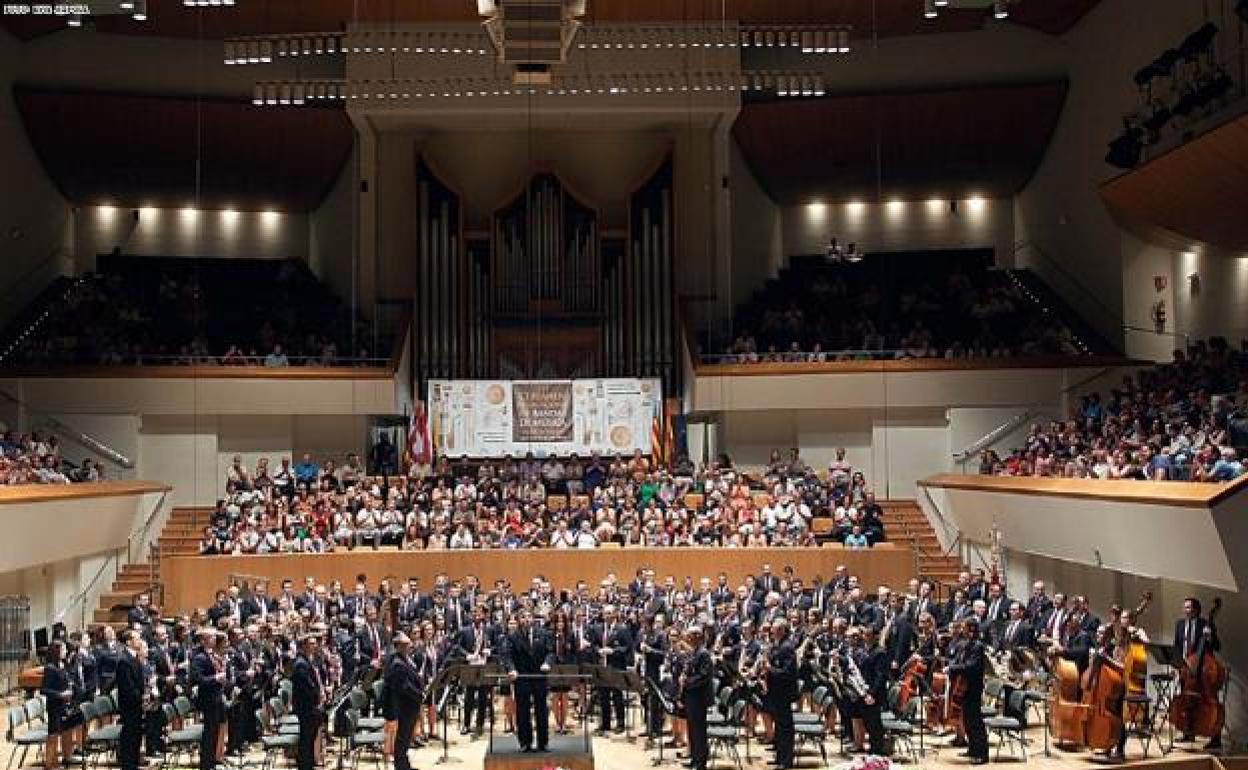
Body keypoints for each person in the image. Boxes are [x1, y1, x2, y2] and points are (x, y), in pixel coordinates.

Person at [502, 609, 552, 753]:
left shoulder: (543, 634)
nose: (527, 619)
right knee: (523, 712)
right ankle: (525, 742)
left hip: (539, 677)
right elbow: (507, 656)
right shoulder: (513, 636)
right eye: (523, 617)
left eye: (529, 616)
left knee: (541, 711)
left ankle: (543, 742)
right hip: (522, 678)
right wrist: (511, 669)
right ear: (519, 620)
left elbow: (550, 652)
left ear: (533, 619)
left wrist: (547, 663)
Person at [946, 617, 989, 765]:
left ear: (971, 629)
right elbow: (958, 660)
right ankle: (972, 749)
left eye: (965, 627)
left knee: (975, 721)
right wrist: (951, 665)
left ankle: (982, 754)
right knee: (967, 720)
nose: (962, 630)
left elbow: (971, 666)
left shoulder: (978, 646)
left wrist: (953, 668)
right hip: (964, 687)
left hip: (973, 688)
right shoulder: (965, 645)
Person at [383, 633, 425, 770]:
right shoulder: (397, 664)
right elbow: (405, 687)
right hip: (405, 706)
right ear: (400, 646)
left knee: (406, 737)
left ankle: (404, 764)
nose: (410, 647)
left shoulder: (404, 659)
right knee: (403, 738)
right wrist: (419, 694)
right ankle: (401, 766)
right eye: (407, 645)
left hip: (410, 705)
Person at [189, 628, 227, 770]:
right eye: (211, 637)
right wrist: (216, 678)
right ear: (204, 640)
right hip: (208, 700)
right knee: (209, 733)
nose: (214, 639)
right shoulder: (199, 657)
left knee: (214, 732)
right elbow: (198, 679)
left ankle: (211, 762)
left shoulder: (211, 655)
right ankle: (206, 764)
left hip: (216, 698)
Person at [40, 640, 80, 770]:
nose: (65, 652)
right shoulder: (50, 668)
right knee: (53, 735)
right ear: (56, 651)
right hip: (55, 707)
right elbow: (44, 690)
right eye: (63, 650)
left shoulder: (62, 664)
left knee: (67, 730)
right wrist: (61, 695)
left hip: (65, 705)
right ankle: (50, 764)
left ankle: (67, 757)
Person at [765, 619, 799, 770]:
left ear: (782, 630)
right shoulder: (776, 645)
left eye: (774, 629)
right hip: (775, 692)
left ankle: (786, 761)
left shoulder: (787, 648)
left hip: (783, 694)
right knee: (779, 726)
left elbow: (787, 673)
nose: (771, 632)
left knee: (785, 727)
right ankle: (779, 757)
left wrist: (769, 668)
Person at [680, 626, 714, 770]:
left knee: (699, 731)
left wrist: (687, 681)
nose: (687, 638)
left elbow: (704, 676)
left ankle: (700, 763)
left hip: (699, 698)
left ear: (696, 636)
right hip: (691, 696)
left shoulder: (703, 654)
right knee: (692, 729)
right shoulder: (694, 652)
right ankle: (694, 758)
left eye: (689, 635)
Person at [291, 635, 325, 770]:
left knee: (310, 738)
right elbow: (306, 687)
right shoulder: (300, 664)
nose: (315, 646)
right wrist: (319, 696)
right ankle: (305, 765)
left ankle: (308, 764)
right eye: (311, 644)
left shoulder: (306, 660)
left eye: (315, 643)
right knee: (306, 738)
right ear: (304, 645)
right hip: (306, 707)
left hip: (310, 706)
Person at [114, 630, 146, 770]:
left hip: (137, 705)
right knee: (129, 738)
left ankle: (134, 764)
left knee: (136, 737)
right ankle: (128, 766)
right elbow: (127, 687)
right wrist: (141, 697)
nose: (139, 640)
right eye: (137, 638)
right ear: (128, 642)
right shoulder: (124, 660)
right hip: (129, 706)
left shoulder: (134, 658)